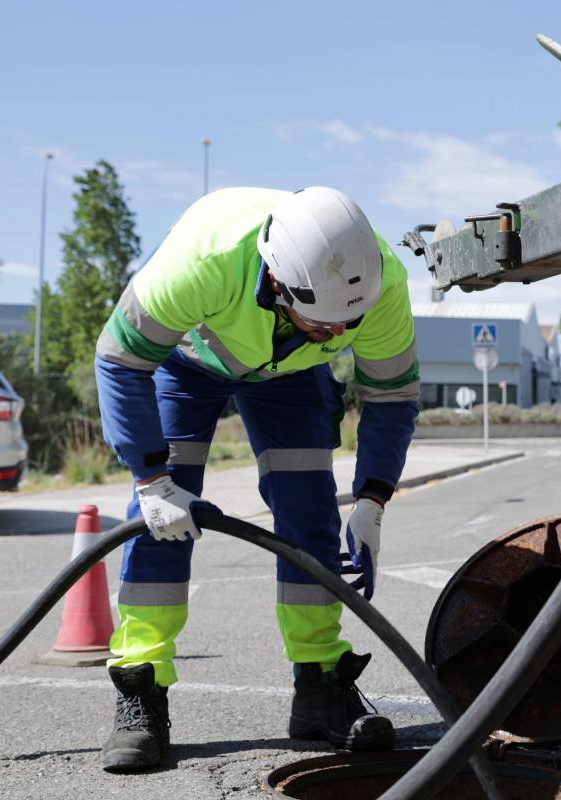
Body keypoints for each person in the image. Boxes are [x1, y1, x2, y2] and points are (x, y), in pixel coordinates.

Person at [92, 186, 420, 772]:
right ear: (276, 283)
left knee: (308, 515)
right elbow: (119, 359)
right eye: (321, 322)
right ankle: (141, 689)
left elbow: (392, 397)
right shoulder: (204, 260)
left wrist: (373, 497)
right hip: (189, 361)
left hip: (293, 376)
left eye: (345, 324)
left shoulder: (380, 283)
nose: (335, 332)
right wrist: (150, 479)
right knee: (161, 522)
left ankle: (319, 687)